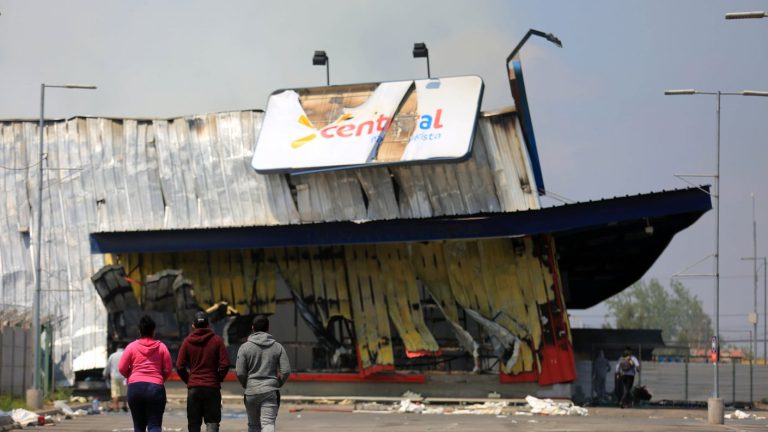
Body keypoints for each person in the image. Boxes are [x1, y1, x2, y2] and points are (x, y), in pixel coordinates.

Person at [176, 311, 231, 432]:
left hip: (194, 388)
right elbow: (225, 363)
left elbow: (179, 366)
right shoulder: (217, 340)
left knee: (194, 424)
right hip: (212, 387)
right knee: (212, 422)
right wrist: (218, 378)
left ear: (193, 326)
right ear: (208, 325)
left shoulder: (187, 342)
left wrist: (189, 380)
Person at [236, 315, 291, 432]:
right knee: (268, 424)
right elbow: (286, 371)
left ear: (252, 328)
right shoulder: (277, 347)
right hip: (270, 391)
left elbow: (240, 372)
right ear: (268, 328)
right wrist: (277, 383)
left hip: (251, 391)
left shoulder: (244, 348)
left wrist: (246, 384)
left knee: (253, 425)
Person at [118, 315, 172, 432]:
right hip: (155, 388)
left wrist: (131, 376)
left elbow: (121, 368)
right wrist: (159, 379)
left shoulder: (131, 347)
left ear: (139, 331)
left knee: (139, 427)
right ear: (153, 331)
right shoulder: (162, 347)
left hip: (135, 388)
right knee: (155, 426)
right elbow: (168, 369)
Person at [103, 343, 128, 412]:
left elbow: (108, 366)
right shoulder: (126, 355)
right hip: (124, 376)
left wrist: (105, 374)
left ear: (117, 349)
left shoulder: (112, 356)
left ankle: (116, 407)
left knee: (115, 392)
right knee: (124, 392)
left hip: (114, 377)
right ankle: (124, 406)